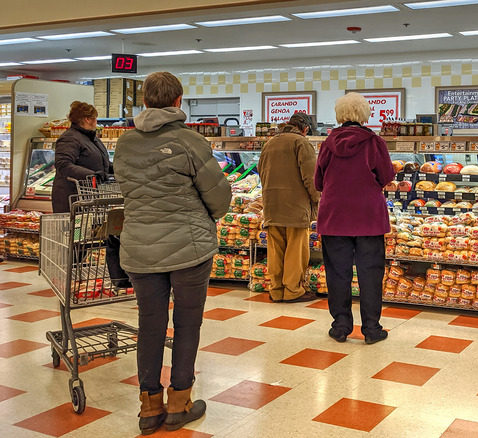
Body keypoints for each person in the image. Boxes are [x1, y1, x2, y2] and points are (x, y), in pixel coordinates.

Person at [113, 72, 231, 435]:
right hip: (189, 248)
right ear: (179, 101)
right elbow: (220, 199)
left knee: (150, 325)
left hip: (138, 247)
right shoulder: (190, 141)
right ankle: (180, 402)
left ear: (145, 101)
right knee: (186, 324)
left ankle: (149, 407)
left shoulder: (124, 143)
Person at [315, 92, 395, 344]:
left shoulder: (327, 143)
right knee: (370, 273)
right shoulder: (374, 142)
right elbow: (386, 176)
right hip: (368, 217)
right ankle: (371, 329)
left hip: (334, 216)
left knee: (337, 273)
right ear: (365, 114)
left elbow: (318, 181)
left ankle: (340, 327)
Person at [257, 112, 320, 303]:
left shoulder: (269, 143)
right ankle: (292, 290)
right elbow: (312, 177)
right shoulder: (301, 143)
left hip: (271, 204)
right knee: (295, 249)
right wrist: (317, 200)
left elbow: (260, 171)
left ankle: (275, 289)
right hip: (295, 206)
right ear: (305, 129)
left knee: (275, 249)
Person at [52, 101, 111, 213]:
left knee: (88, 228)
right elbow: (63, 165)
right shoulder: (70, 138)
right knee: (76, 230)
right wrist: (91, 175)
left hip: (87, 197)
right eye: (95, 117)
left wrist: (120, 168)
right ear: (87, 119)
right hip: (72, 199)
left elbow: (101, 162)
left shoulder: (91, 138)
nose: (96, 121)